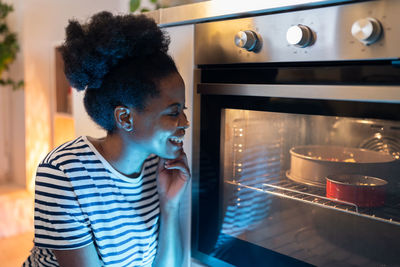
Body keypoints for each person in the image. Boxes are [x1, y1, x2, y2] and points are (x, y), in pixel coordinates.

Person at [23, 11, 190, 267]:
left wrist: (169, 205)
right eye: (173, 112)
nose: (185, 123)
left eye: (183, 110)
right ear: (124, 117)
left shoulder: (156, 167)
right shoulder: (64, 173)